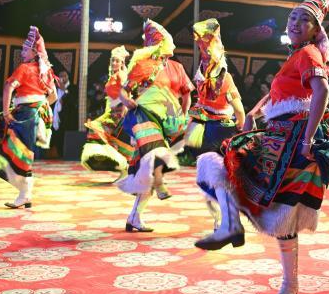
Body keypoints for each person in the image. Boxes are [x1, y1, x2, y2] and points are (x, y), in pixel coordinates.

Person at [193, 0, 329, 294]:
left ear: (316, 29)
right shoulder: (298, 56)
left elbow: (321, 91)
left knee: (282, 214)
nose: (295, 23)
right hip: (279, 139)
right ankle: (232, 226)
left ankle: (287, 280)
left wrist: (307, 139)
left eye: (304, 20)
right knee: (222, 167)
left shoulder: (308, 54)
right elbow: (282, 95)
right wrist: (253, 113)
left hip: (293, 143)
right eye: (292, 17)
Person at [116, 20, 194, 232]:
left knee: (146, 172)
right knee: (155, 152)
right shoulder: (143, 65)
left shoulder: (177, 67)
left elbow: (187, 94)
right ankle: (160, 183)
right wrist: (127, 101)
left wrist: (182, 116)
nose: (167, 52)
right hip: (142, 116)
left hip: (165, 123)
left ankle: (134, 217)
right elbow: (123, 91)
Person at [0, 26, 57, 209]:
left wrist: (6, 112)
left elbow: (9, 87)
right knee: (21, 152)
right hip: (34, 115)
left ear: (34, 52)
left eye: (25, 49)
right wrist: (40, 106)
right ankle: (25, 194)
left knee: (14, 150)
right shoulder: (46, 71)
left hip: (24, 114)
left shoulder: (25, 68)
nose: (22, 52)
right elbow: (53, 97)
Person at [184, 19, 245, 158]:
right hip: (218, 128)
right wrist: (241, 126)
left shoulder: (201, 76)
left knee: (200, 160)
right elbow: (239, 110)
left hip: (198, 124)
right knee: (218, 160)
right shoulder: (225, 78)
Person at [80, 46, 134, 173]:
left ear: (122, 63)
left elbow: (127, 93)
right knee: (112, 141)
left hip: (118, 112)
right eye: (113, 60)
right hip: (110, 111)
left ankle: (122, 166)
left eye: (117, 61)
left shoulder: (121, 75)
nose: (114, 63)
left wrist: (124, 110)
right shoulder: (113, 76)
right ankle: (123, 168)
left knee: (96, 128)